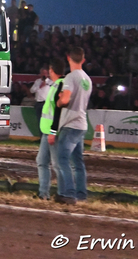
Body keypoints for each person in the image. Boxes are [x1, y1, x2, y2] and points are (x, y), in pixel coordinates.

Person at [51, 46, 92, 205]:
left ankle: (68, 193)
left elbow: (66, 100)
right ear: (83, 60)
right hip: (81, 123)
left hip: (70, 124)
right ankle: (81, 194)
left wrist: (59, 100)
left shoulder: (70, 77)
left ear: (68, 58)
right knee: (78, 162)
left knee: (62, 160)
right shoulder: (87, 79)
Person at [36, 57, 65, 200]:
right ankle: (43, 194)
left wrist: (53, 132)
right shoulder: (55, 85)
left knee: (57, 165)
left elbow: (58, 112)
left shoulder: (60, 86)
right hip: (47, 132)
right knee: (42, 161)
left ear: (52, 70)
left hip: (53, 132)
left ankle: (63, 193)